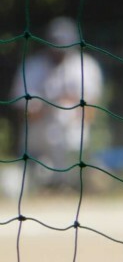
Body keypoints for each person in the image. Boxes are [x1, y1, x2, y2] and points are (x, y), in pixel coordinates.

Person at [10, 17, 104, 191]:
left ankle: (71, 181)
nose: (59, 50)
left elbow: (90, 113)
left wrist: (66, 105)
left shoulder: (85, 66)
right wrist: (50, 105)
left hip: (71, 132)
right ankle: (48, 181)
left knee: (65, 115)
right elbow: (23, 114)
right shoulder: (32, 67)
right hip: (39, 132)